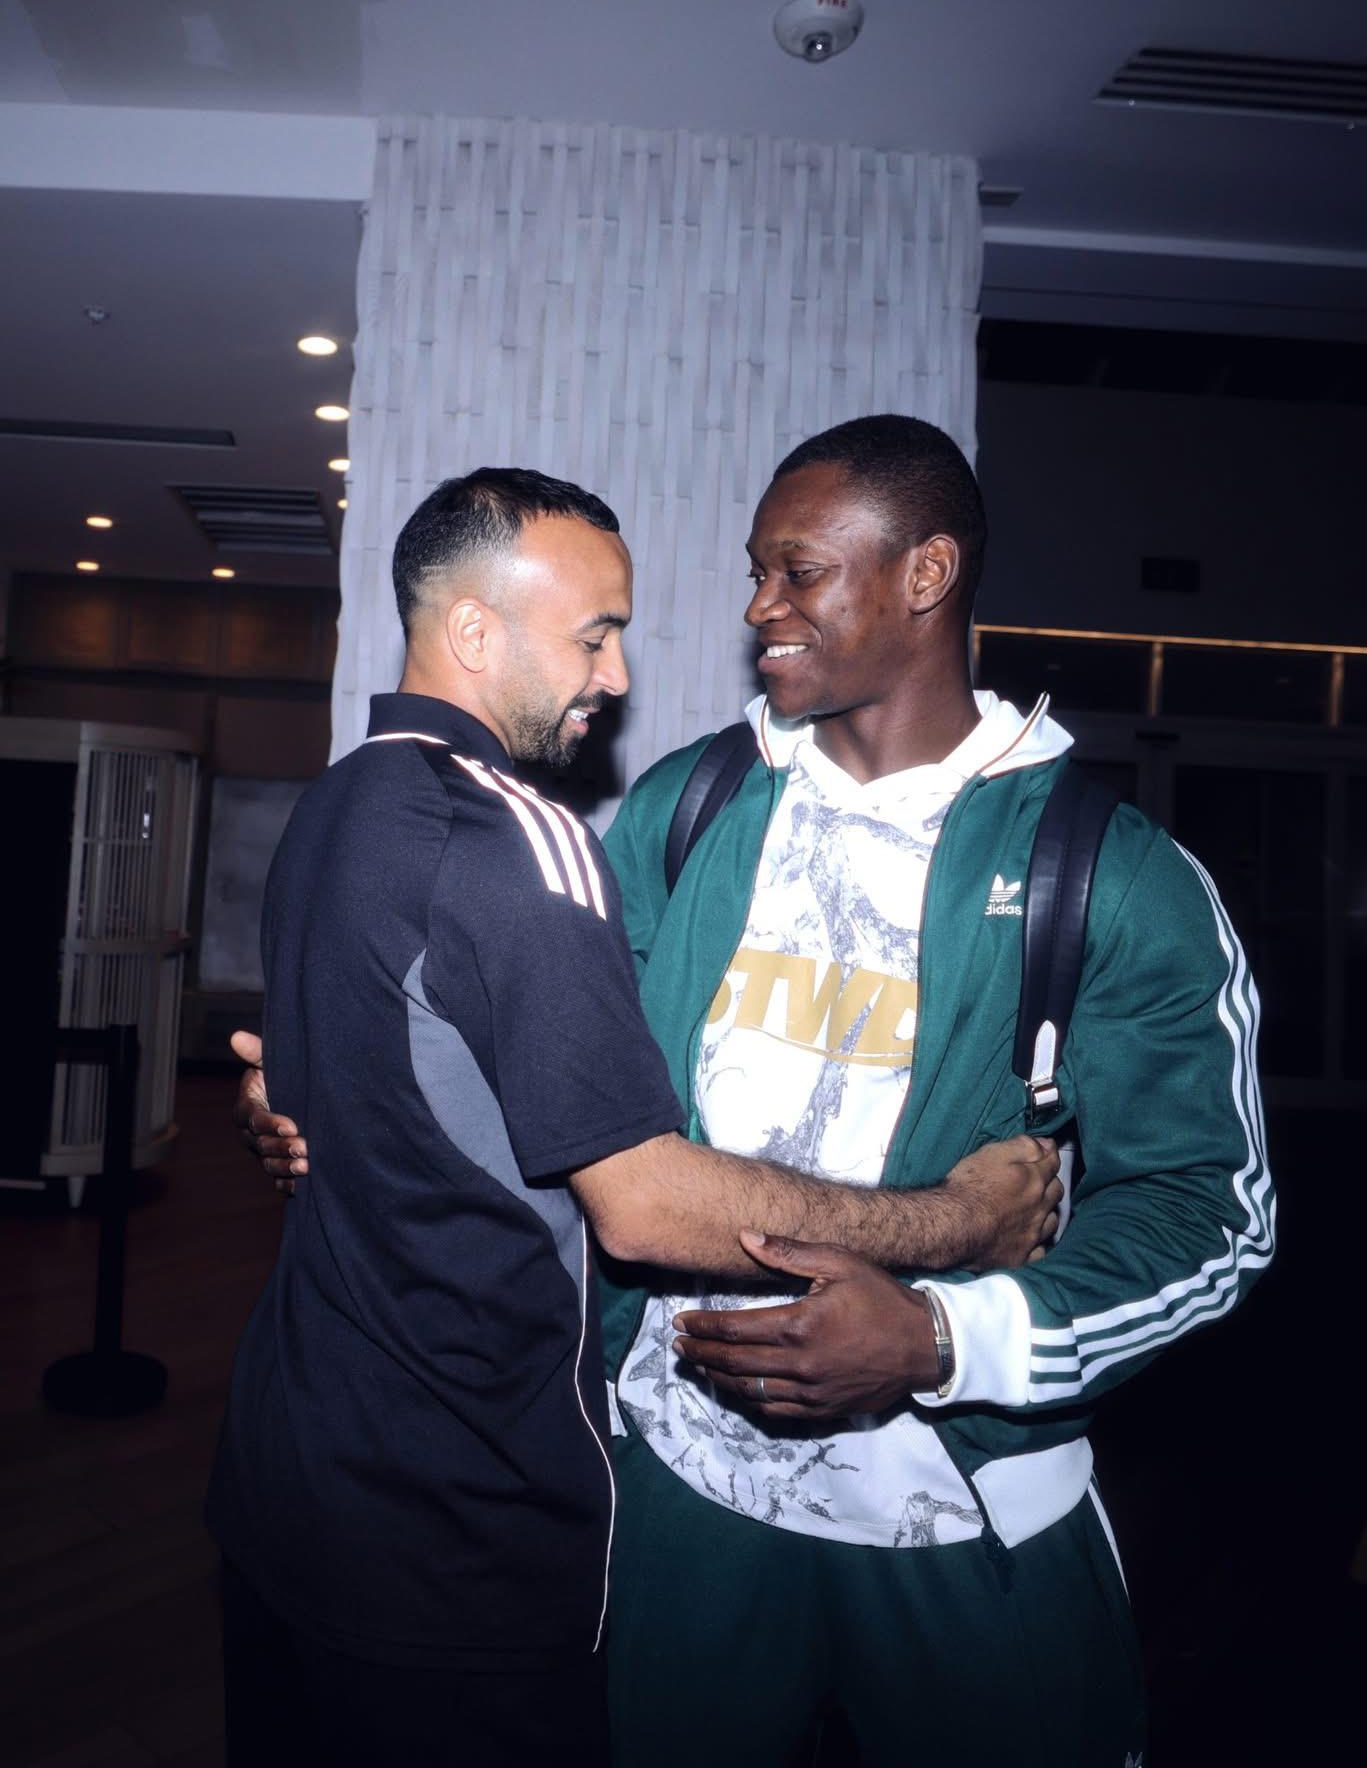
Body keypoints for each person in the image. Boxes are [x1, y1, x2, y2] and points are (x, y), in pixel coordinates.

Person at [211, 462, 1061, 1768]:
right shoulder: (517, 839)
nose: (615, 676)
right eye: (594, 634)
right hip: (454, 1521)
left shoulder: (335, 802)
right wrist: (961, 1220)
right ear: (475, 630)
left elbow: (344, 1082)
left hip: (287, 1481)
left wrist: (279, 1102)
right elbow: (649, 1209)